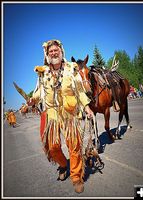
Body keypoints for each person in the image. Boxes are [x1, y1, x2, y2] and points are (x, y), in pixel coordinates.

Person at [27, 39, 94, 193]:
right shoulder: (44, 72)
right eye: (51, 51)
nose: (53, 53)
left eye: (56, 50)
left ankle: (76, 176)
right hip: (52, 115)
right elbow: (40, 92)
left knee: (74, 146)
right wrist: (33, 100)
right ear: (47, 54)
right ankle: (63, 164)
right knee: (53, 148)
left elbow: (79, 90)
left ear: (61, 51)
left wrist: (87, 106)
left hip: (70, 113)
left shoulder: (71, 68)